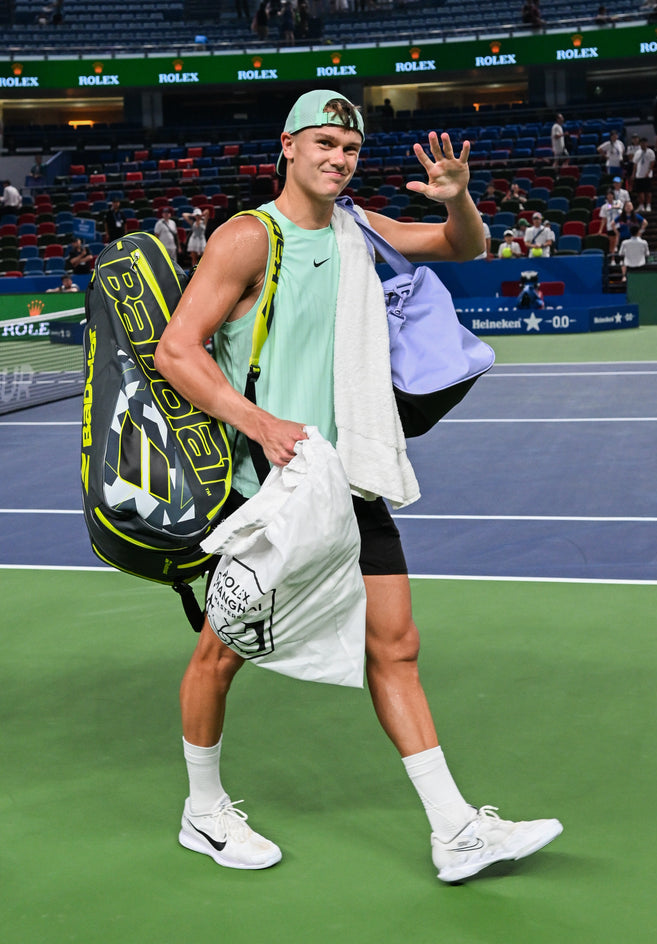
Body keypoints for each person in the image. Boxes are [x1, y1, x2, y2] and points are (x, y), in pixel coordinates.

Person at [153, 90, 562, 881]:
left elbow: (460, 246)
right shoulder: (249, 238)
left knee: (396, 647)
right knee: (221, 653)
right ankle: (202, 811)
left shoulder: (359, 229)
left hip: (350, 476)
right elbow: (178, 350)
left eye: (349, 146)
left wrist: (460, 198)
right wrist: (259, 422)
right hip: (268, 488)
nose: (338, 158)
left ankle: (455, 831)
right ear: (288, 147)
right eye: (325, 143)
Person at [631, 138, 655, 213]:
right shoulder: (637, 152)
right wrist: (633, 174)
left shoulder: (650, 152)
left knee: (648, 191)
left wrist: (648, 172)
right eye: (641, 143)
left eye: (644, 143)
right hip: (639, 175)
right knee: (639, 191)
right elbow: (635, 164)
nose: (643, 144)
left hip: (647, 175)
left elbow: (652, 163)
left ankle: (648, 205)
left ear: (646, 143)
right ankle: (641, 206)